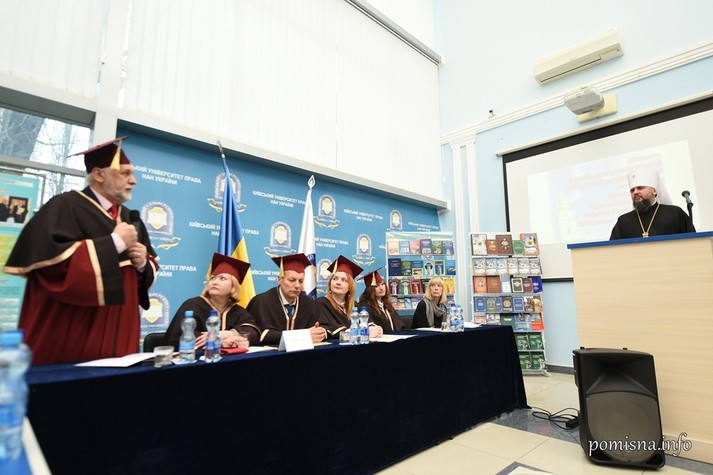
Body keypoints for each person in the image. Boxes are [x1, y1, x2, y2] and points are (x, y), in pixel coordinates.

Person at [2, 136, 158, 365]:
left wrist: (143, 263)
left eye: (132, 173)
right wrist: (115, 243)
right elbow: (52, 271)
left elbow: (143, 276)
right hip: (72, 333)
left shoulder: (129, 218)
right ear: (99, 174)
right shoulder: (64, 207)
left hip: (122, 336)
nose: (133, 180)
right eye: (125, 173)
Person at [163, 253, 259, 349]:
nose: (215, 282)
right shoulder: (192, 305)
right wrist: (220, 342)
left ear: (233, 286)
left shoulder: (238, 312)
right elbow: (179, 338)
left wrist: (229, 334)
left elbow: (253, 332)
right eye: (213, 278)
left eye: (222, 278)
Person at [247, 253, 326, 345]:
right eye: (292, 280)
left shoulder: (309, 303)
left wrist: (319, 332)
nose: (297, 285)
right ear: (279, 279)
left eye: (301, 281)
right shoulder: (261, 302)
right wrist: (302, 336)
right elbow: (258, 333)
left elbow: (326, 327)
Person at [610, 168, 696, 239]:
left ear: (654, 191)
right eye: (632, 190)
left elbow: (693, 243)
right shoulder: (623, 221)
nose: (635, 192)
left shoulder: (675, 213)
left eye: (640, 188)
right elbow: (612, 249)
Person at [316, 255, 383, 339]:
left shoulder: (355, 305)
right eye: (335, 278)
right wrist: (362, 332)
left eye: (343, 280)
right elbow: (331, 330)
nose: (338, 282)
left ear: (350, 287)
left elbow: (367, 322)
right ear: (330, 284)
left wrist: (375, 329)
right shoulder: (321, 304)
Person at [357, 268, 405, 333]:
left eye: (382, 284)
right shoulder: (365, 306)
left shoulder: (386, 304)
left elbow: (400, 324)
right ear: (370, 289)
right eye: (377, 286)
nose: (381, 288)